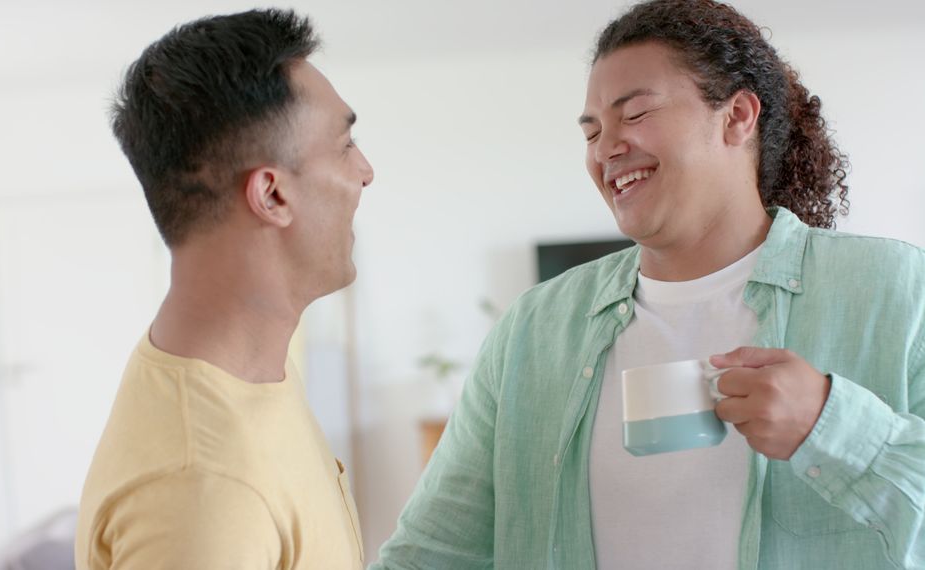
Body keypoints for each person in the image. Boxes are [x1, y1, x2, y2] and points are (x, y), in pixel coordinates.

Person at [372, 1, 925, 568]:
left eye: (634, 115)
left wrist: (832, 425)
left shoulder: (899, 291)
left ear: (737, 116)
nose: (606, 148)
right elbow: (433, 552)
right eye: (592, 131)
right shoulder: (532, 331)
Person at [74, 9, 374, 569]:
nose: (366, 171)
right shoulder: (201, 489)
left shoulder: (253, 376)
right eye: (345, 144)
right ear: (272, 196)